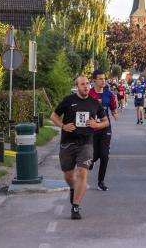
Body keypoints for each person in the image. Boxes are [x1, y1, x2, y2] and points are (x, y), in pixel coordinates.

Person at [50, 76, 109, 219]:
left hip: (86, 143)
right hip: (68, 142)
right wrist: (63, 126)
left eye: (88, 84)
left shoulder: (94, 103)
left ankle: (75, 207)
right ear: (77, 86)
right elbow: (53, 116)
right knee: (69, 175)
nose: (86, 86)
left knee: (82, 172)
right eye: (83, 84)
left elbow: (106, 122)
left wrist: (96, 125)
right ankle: (73, 187)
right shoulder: (68, 100)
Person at [89, 69, 118, 191]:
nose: (103, 81)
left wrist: (115, 115)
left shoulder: (109, 94)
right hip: (92, 128)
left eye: (104, 78)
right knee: (95, 155)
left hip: (105, 127)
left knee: (104, 155)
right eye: (100, 79)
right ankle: (91, 161)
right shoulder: (89, 93)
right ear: (94, 80)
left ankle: (101, 181)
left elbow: (113, 109)